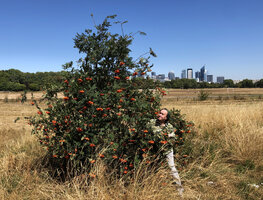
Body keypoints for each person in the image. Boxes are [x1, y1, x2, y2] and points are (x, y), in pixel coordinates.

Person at [147, 108, 184, 195]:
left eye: (162, 114)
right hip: (154, 150)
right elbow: (145, 133)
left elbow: (172, 140)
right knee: (152, 168)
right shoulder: (152, 122)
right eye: (159, 113)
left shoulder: (169, 127)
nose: (159, 114)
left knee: (172, 168)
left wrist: (164, 144)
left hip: (167, 150)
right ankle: (153, 188)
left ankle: (180, 190)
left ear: (166, 118)